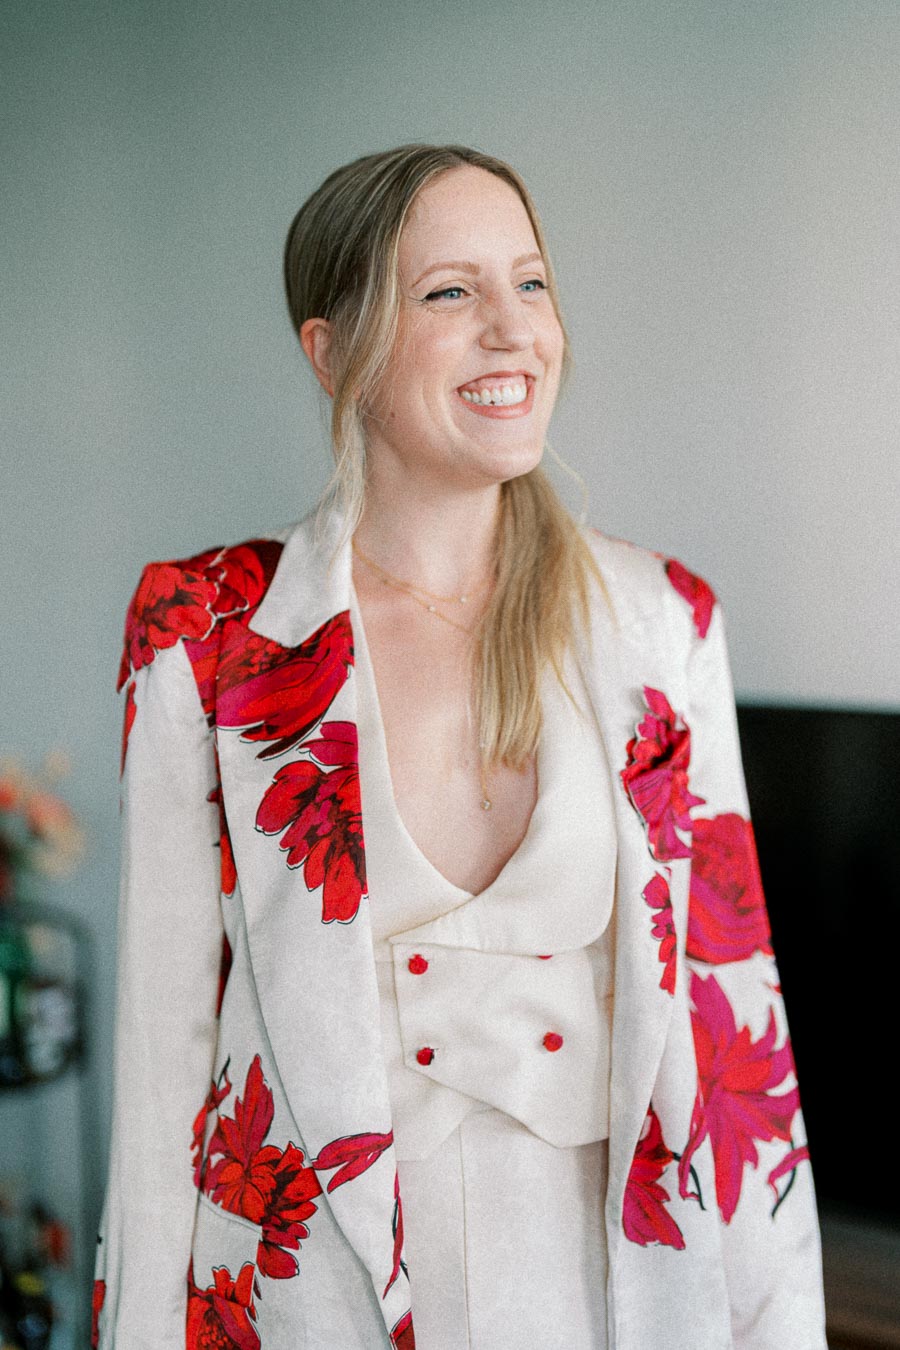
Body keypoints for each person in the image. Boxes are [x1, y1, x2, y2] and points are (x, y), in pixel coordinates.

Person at [94, 144, 827, 1349]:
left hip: (606, 1292)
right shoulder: (205, 633)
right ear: (333, 354)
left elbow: (734, 1020)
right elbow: (163, 1059)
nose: (512, 331)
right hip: (311, 1298)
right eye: (450, 293)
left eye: (530, 284)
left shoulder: (663, 623)